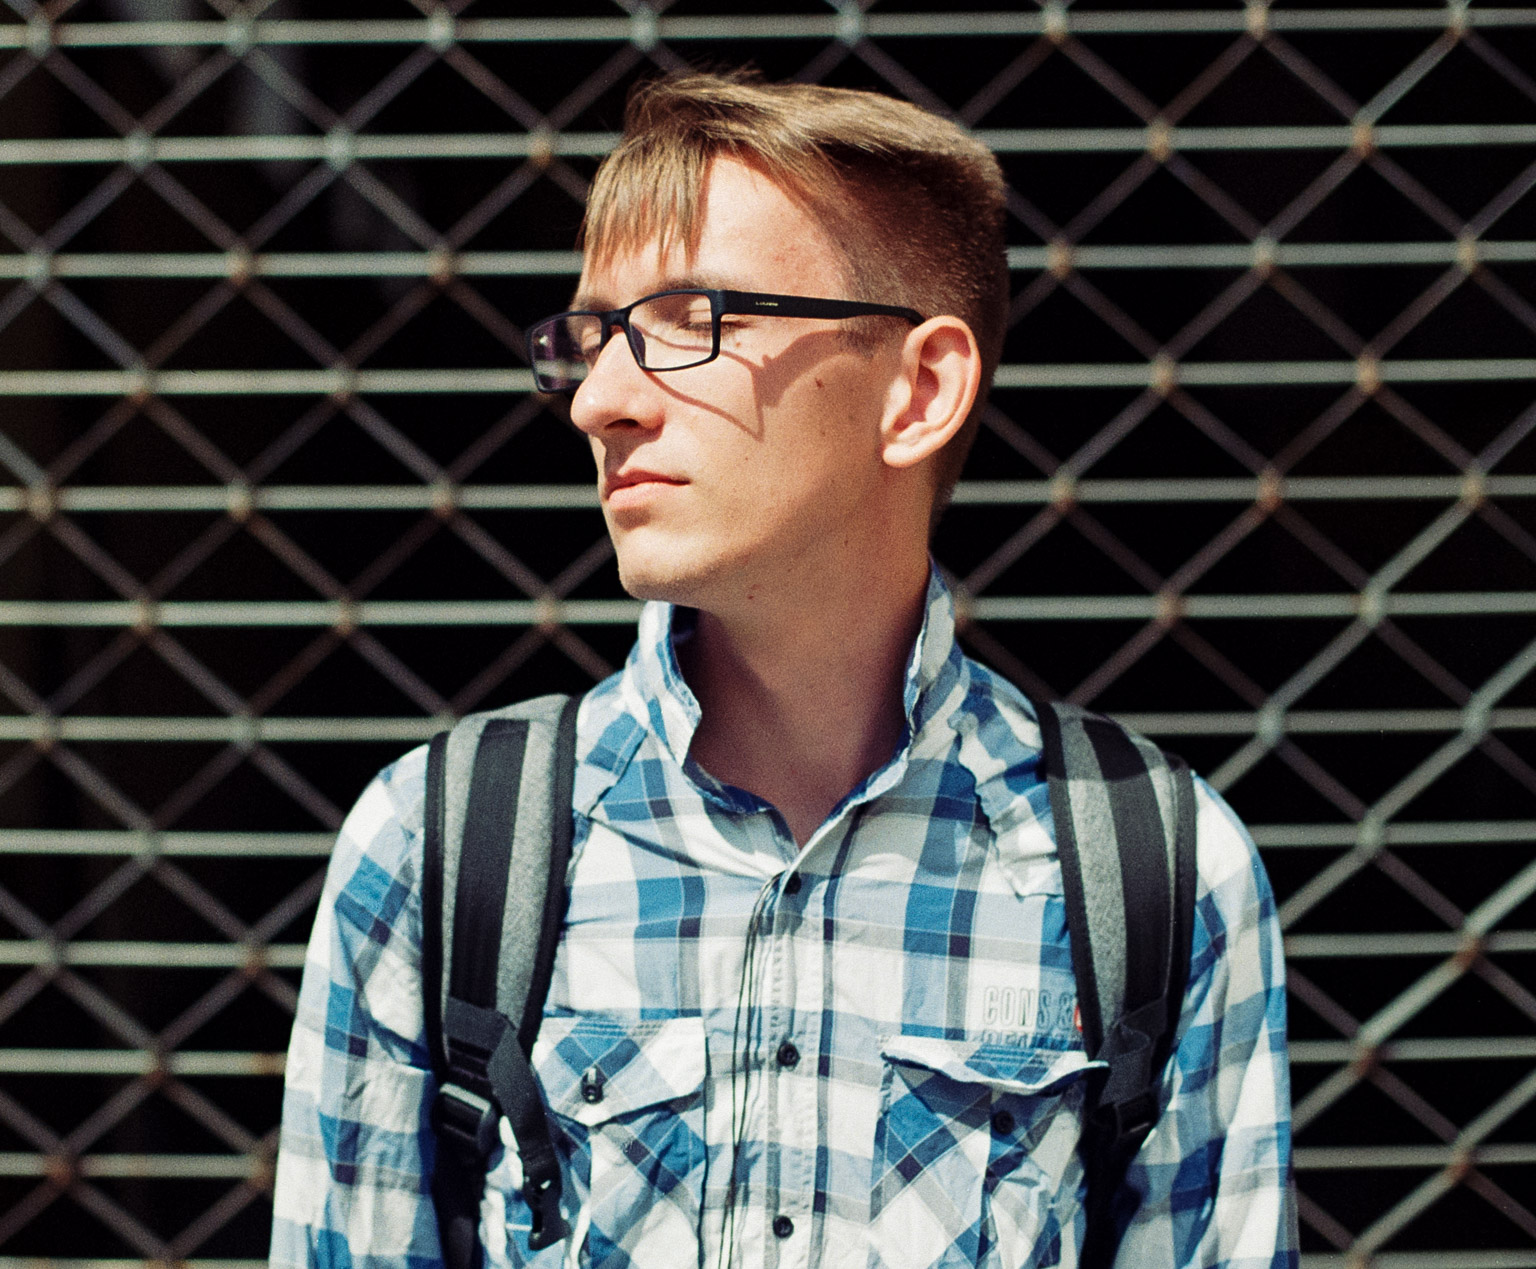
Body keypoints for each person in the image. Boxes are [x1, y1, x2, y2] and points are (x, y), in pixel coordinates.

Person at [269, 71, 1295, 1268]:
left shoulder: (1156, 873)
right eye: (591, 338)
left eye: (687, 319)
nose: (599, 401)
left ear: (918, 390)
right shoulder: (438, 846)